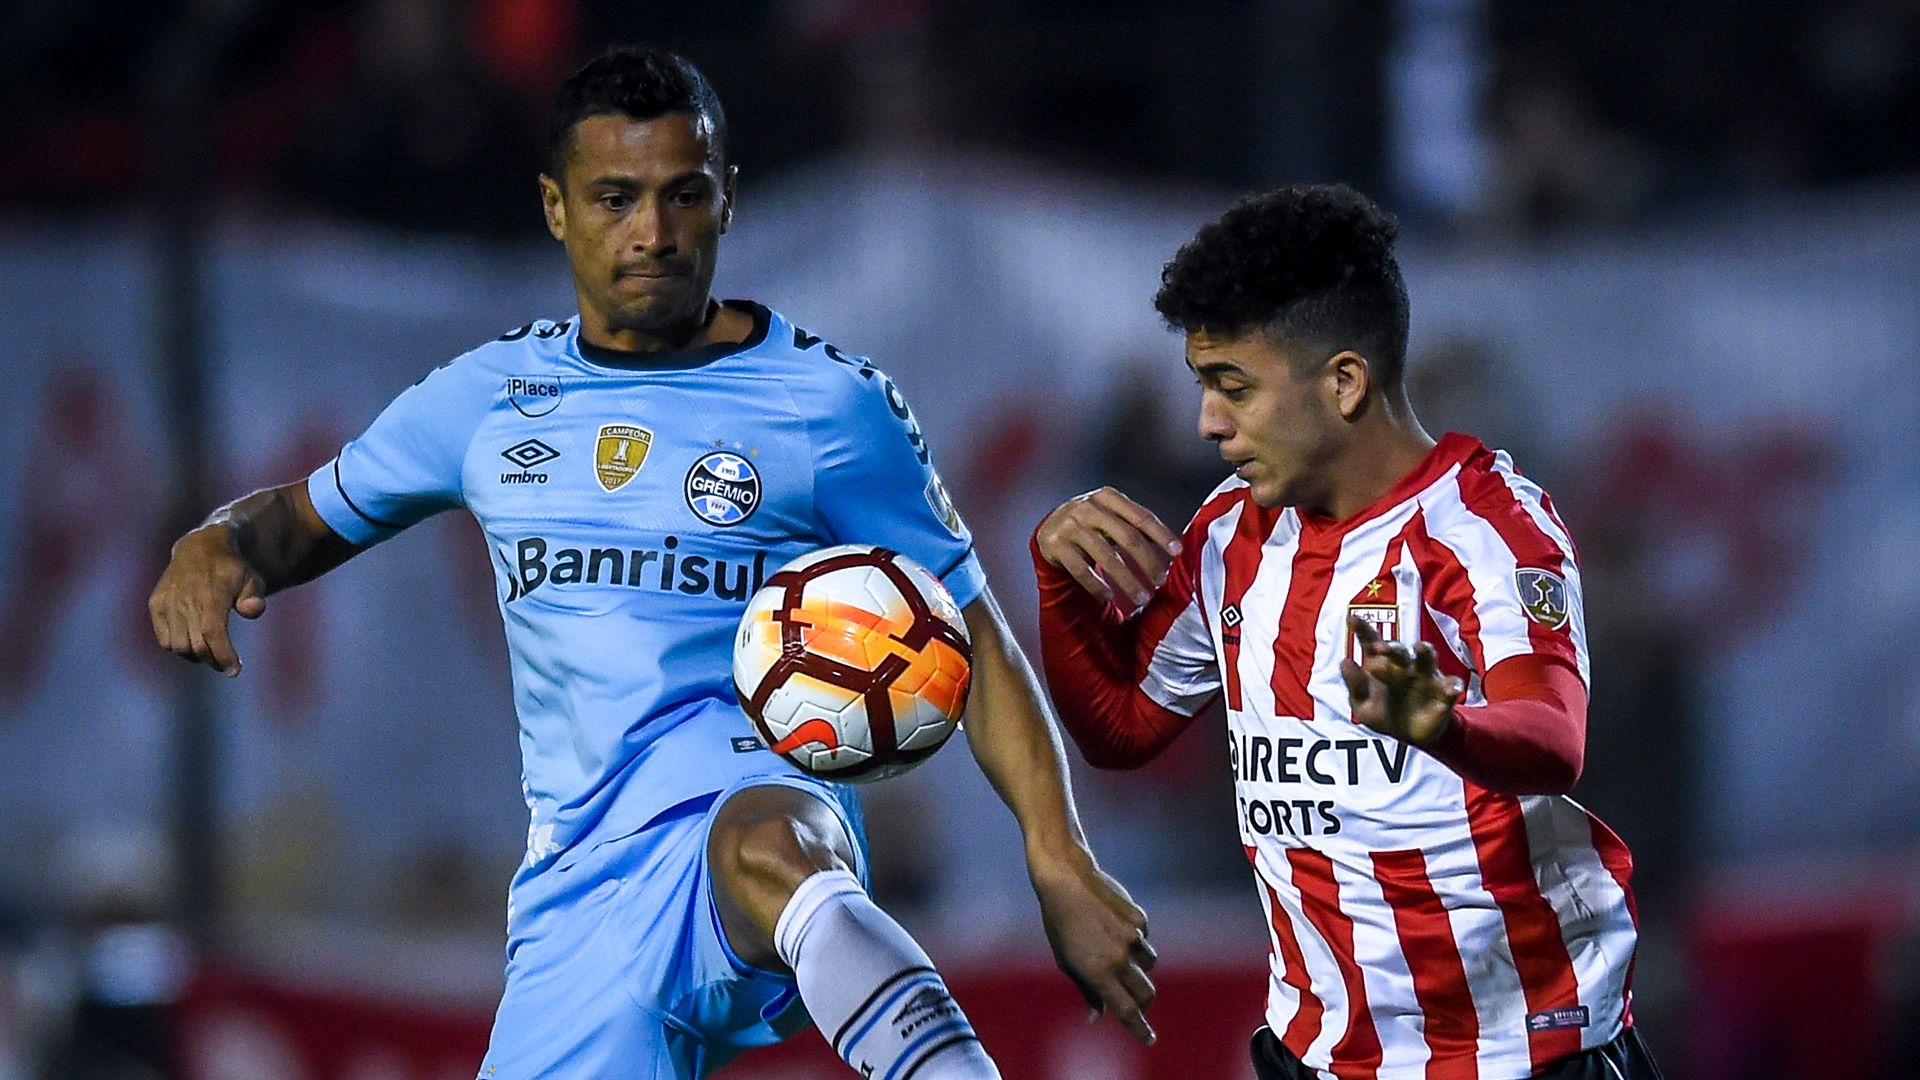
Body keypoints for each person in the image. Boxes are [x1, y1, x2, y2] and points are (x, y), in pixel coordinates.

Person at [148, 46, 1156, 1080]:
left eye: (683, 196)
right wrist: (215, 544)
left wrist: (1057, 857)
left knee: (772, 851)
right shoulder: (488, 399)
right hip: (582, 896)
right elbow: (306, 517)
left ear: (727, 200)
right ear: (556, 207)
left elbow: (971, 631)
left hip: (758, 805)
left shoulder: (830, 406)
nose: (653, 233)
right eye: (616, 198)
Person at [1032, 184, 1663, 1080]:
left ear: (1343, 382)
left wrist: (1439, 723)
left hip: (1521, 1051)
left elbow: (1555, 739)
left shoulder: (1482, 529)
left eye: (1233, 388)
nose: (1209, 422)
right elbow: (1124, 729)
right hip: (1318, 1051)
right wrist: (1061, 588)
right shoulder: (1229, 536)